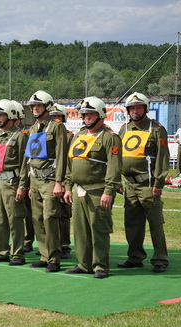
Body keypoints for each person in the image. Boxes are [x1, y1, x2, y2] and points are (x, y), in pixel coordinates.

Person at [64, 97, 122, 279]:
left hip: (98, 190)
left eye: (90, 114)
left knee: (99, 230)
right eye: (84, 114)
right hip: (78, 190)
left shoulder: (109, 137)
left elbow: (114, 166)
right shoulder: (79, 135)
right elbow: (69, 163)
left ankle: (100, 266)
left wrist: (109, 191)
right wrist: (67, 187)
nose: (86, 117)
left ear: (101, 115)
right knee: (80, 230)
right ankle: (84, 263)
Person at [117, 92, 170, 273]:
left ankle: (160, 259)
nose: (135, 111)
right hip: (129, 185)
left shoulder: (156, 129)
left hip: (148, 184)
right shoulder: (124, 129)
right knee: (132, 223)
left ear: (145, 109)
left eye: (138, 107)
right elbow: (116, 156)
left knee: (155, 223)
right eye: (132, 108)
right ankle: (135, 257)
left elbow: (163, 157)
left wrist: (159, 183)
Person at [24, 90, 68, 273]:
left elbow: (62, 156)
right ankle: (44, 255)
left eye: (39, 105)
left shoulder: (57, 127)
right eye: (33, 106)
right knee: (37, 218)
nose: (35, 109)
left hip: (50, 179)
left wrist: (60, 182)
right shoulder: (33, 128)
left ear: (48, 107)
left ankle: (54, 258)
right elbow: (30, 156)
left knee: (50, 217)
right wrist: (28, 182)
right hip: (35, 179)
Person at [0, 99, 28, 266]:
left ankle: (17, 253)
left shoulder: (20, 136)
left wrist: (22, 185)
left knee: (15, 219)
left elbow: (25, 163)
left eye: (1, 115)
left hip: (12, 182)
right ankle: (1, 252)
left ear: (10, 115)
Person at [11, 100, 36, 254]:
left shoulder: (24, 135)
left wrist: (26, 183)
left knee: (29, 212)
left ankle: (28, 240)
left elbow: (26, 160)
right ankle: (23, 240)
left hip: (25, 177)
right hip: (14, 179)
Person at [49, 103, 73, 259]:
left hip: (63, 178)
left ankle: (64, 246)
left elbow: (70, 160)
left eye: (58, 117)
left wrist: (65, 182)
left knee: (64, 214)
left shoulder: (70, 136)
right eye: (53, 117)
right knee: (51, 214)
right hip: (50, 177)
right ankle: (51, 245)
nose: (56, 119)